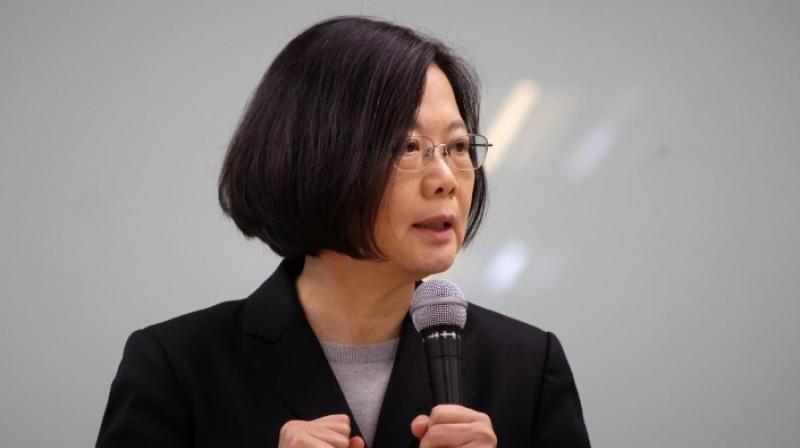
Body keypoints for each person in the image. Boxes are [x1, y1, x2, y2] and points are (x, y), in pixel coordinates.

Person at [96, 16, 590, 448]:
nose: (445, 179)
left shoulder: (527, 366)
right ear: (314, 159)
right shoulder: (179, 367)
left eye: (458, 146)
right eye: (406, 146)